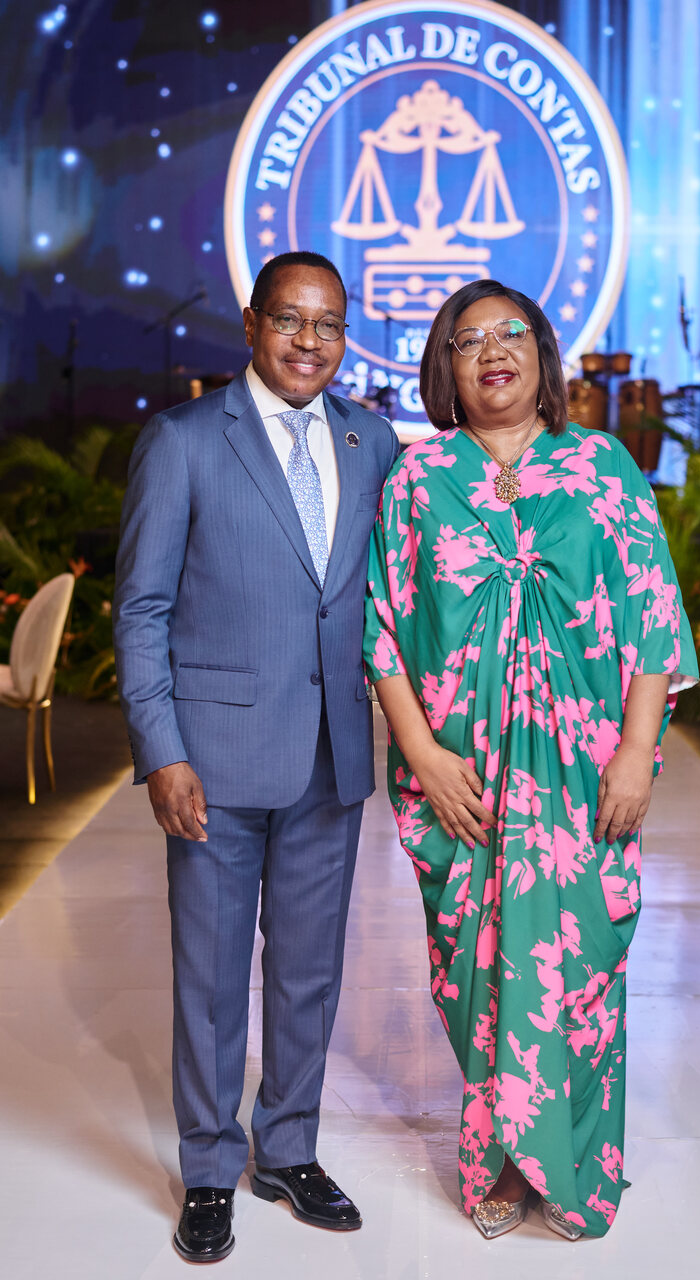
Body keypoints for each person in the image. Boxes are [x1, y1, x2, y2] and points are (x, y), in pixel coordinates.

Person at [364, 280, 698, 1241]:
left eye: (511, 333)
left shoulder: (602, 466)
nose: (493, 351)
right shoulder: (420, 477)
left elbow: (653, 613)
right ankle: (504, 1158)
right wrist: (422, 754)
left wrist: (637, 750)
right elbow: (381, 627)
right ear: (447, 368)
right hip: (463, 780)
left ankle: (572, 1160)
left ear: (543, 355)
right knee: (476, 965)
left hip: (584, 776)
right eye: (468, 340)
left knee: (578, 965)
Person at [114, 251, 399, 1263]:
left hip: (331, 755)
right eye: (289, 319)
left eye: (328, 325)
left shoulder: (372, 439)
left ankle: (287, 1148)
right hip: (215, 759)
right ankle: (207, 1167)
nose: (309, 341)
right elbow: (141, 609)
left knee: (310, 972)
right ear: (251, 323)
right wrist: (162, 750)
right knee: (210, 974)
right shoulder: (184, 439)